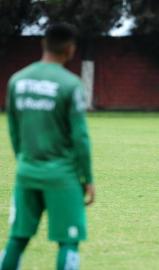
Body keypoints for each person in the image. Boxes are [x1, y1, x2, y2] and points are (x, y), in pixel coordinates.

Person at [0, 23, 94, 270]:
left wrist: (25, 159)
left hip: (26, 172)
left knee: (17, 239)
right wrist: (88, 178)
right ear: (70, 49)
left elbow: (14, 131)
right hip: (62, 176)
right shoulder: (70, 84)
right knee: (68, 242)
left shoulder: (17, 81)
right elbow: (80, 138)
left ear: (44, 44)